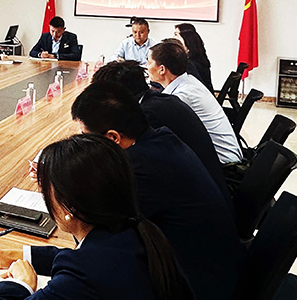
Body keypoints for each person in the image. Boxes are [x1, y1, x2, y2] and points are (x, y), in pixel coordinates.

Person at [0, 134, 214, 300]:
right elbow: (86, 258)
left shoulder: (90, 277)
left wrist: (18, 285)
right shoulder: (134, 231)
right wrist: (13, 255)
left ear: (69, 207)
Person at [71, 82, 243, 300]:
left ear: (113, 137)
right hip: (217, 274)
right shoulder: (159, 139)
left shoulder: (141, 170)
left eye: (85, 137)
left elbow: (98, 240)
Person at [92, 60, 230, 207]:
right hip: (211, 189)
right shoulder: (160, 100)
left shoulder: (148, 115)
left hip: (199, 201)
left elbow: (135, 165)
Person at [148, 40, 243, 165]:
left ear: (162, 69)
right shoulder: (188, 81)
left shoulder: (182, 96)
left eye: (149, 62)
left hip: (222, 163)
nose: (146, 66)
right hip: (221, 155)